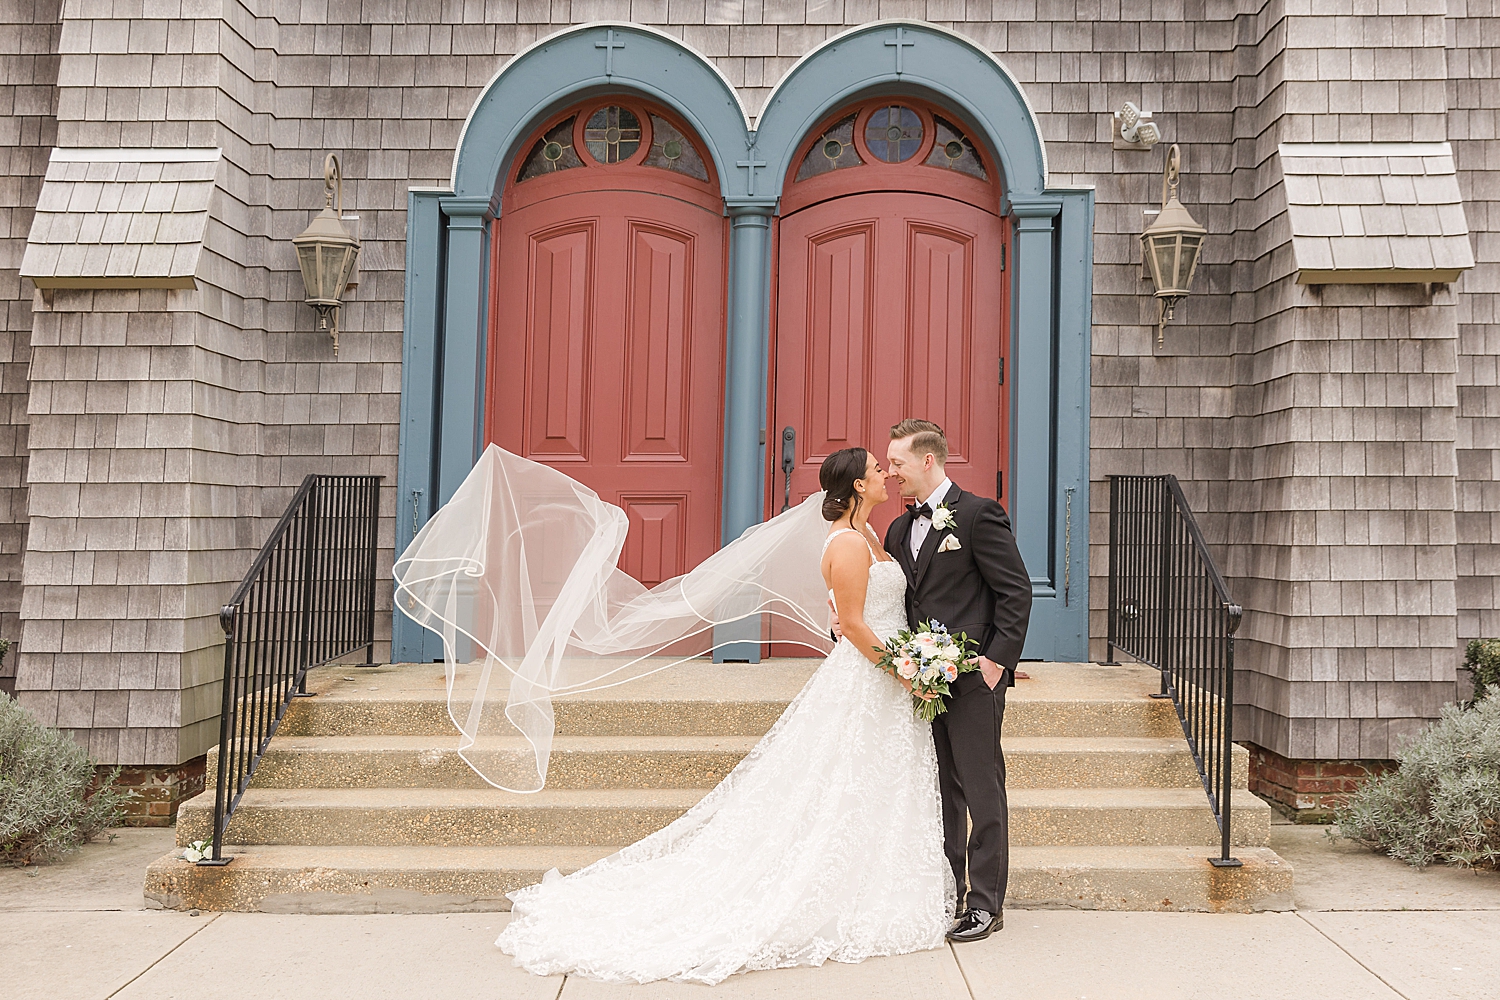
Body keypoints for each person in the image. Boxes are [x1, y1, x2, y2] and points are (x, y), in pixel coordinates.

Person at [492, 447, 952, 984]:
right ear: (856, 487)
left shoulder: (874, 536)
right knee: (844, 783)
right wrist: (905, 671)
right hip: (874, 679)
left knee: (870, 785)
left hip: (885, 682)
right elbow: (850, 624)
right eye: (877, 470)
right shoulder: (849, 544)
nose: (885, 475)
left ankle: (876, 883)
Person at [883, 418, 1032, 942]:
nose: (891, 472)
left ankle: (986, 903)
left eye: (897, 462)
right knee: (942, 789)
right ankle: (948, 891)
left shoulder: (977, 515)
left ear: (928, 460)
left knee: (981, 786)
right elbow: (902, 601)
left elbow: (1015, 591)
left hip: (973, 679)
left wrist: (996, 662)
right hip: (922, 681)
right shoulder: (899, 530)